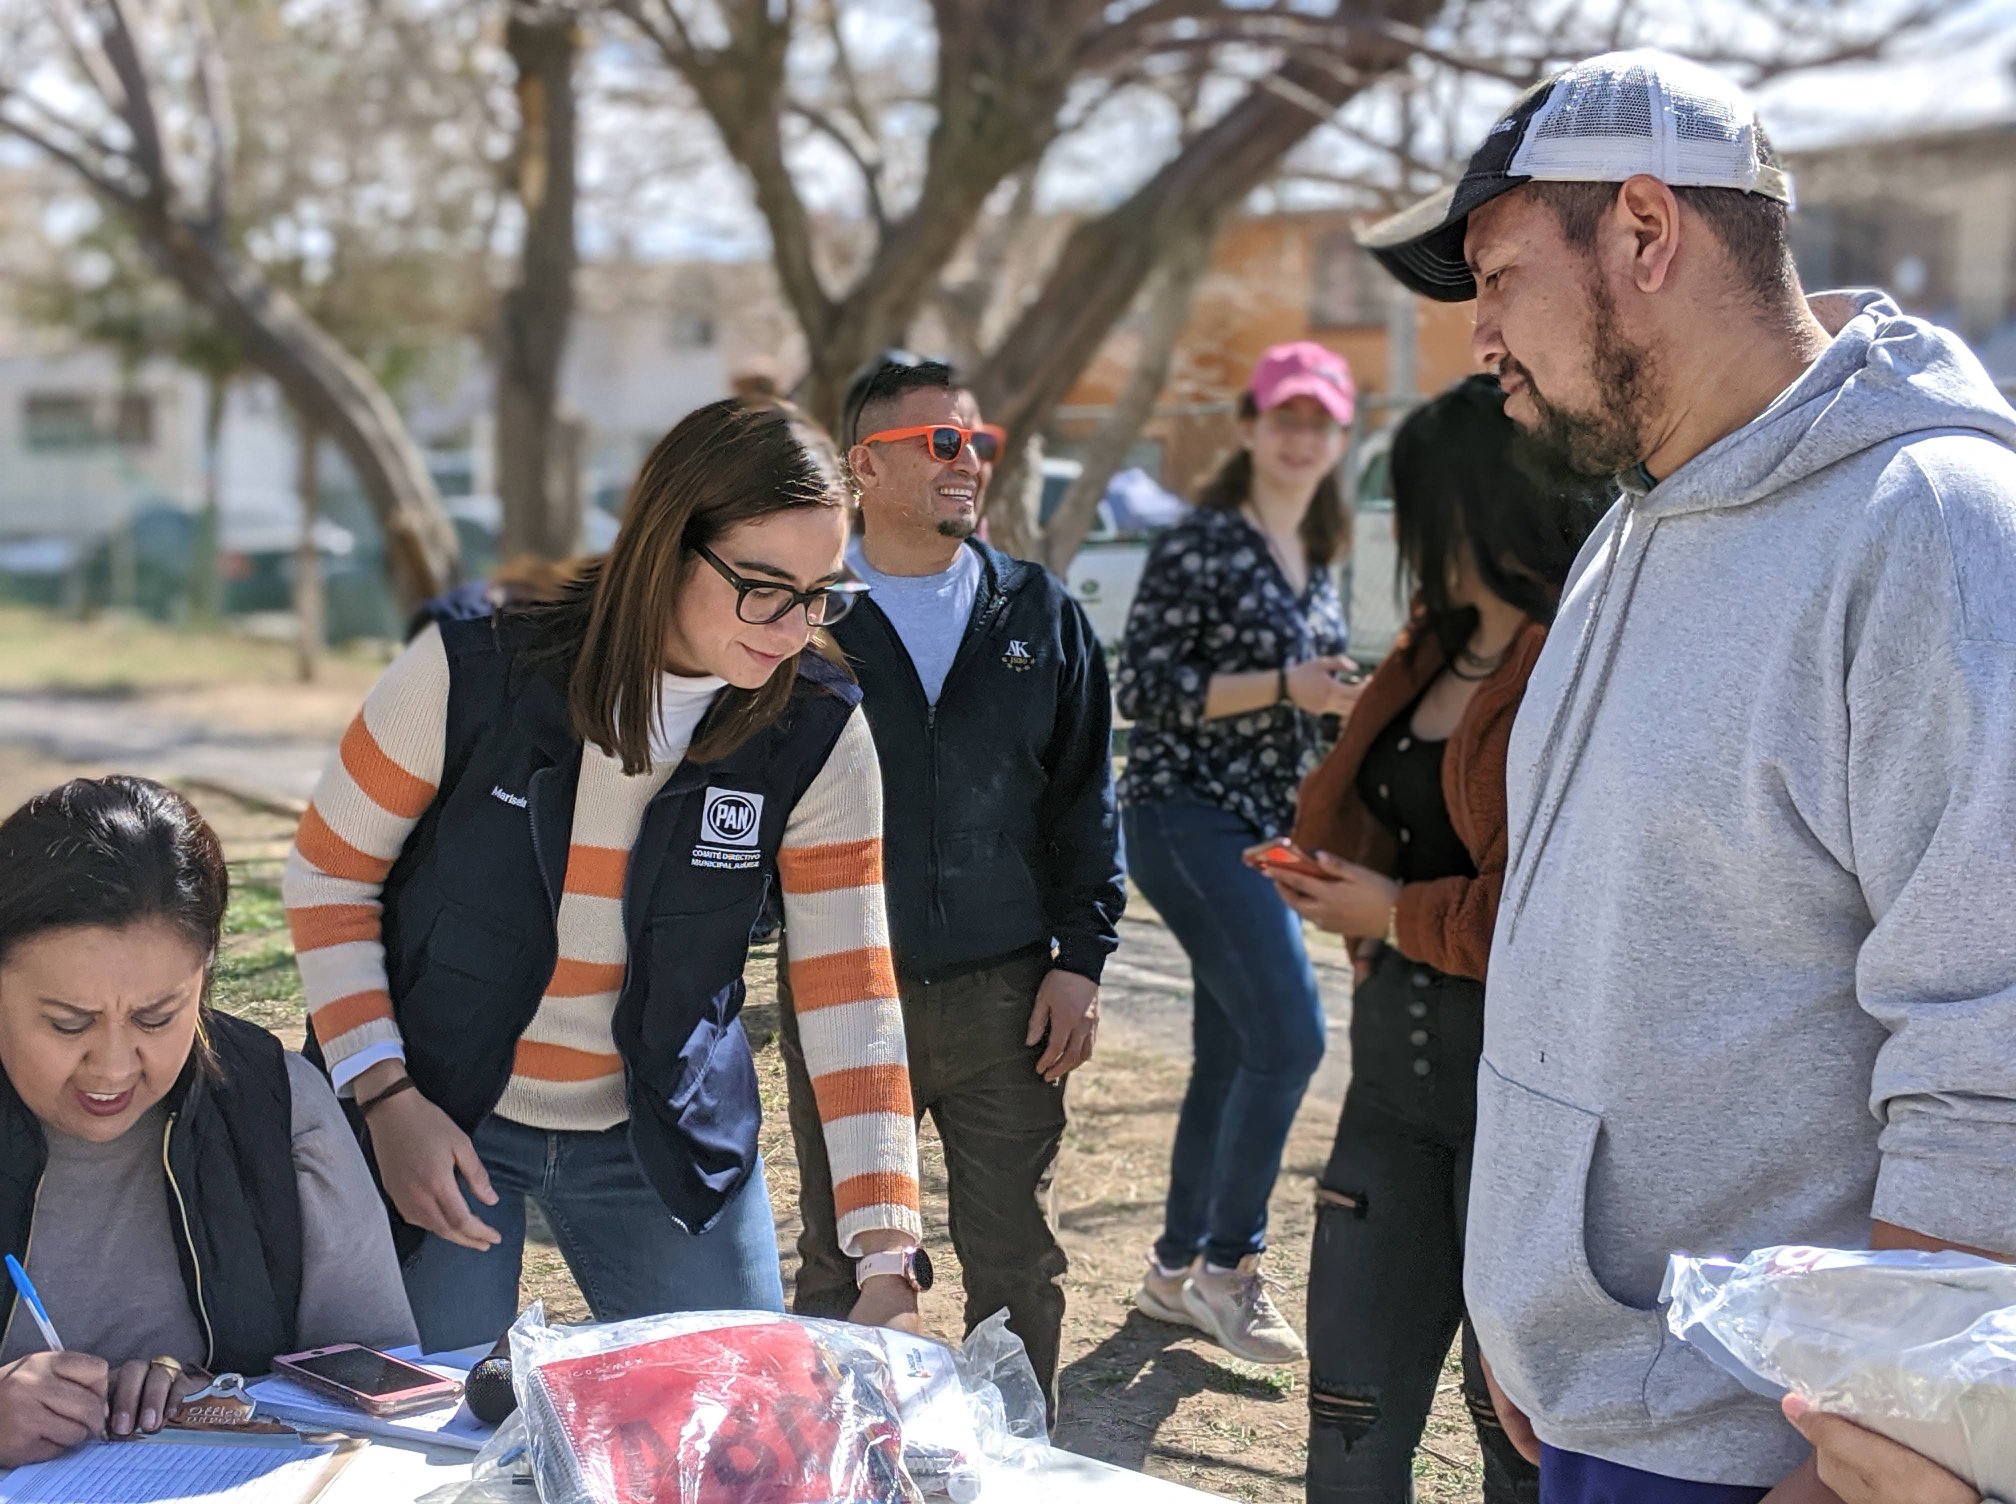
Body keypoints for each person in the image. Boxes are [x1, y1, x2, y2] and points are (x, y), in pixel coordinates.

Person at [1359, 47, 2016, 1503]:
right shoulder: (1633, 523)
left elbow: (1994, 1046)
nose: (1482, 336)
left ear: (1646, 232)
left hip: (1774, 1450)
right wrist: (1538, 1313)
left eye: (1499, 274)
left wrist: (1881, 1451)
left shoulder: (1933, 528)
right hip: (1604, 1392)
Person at [282, 398, 926, 1353]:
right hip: (443, 1111)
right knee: (429, 1440)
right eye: (763, 586)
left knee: (724, 1428)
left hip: (660, 1136)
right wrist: (383, 1096)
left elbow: (849, 983)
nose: (793, 630)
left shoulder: (821, 729)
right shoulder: (467, 668)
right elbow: (327, 879)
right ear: (667, 544)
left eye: (821, 591)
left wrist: (886, 1254)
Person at [1270, 378, 1605, 1502]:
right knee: (1350, 1424)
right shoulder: (1432, 643)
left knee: (1514, 1433)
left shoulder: (1576, 656)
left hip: (1523, 1104)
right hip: (1391, 1097)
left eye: (1415, 500)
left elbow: (1559, 912)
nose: (1403, 530)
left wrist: (1391, 913)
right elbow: (1355, 801)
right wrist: (1322, 876)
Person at [777, 355, 1124, 1420]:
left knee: (1015, 1266)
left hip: (1006, 997)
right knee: (843, 1259)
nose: (965, 461)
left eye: (976, 441)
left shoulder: (1039, 612)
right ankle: (840, 1475)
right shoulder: (807, 619)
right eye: (938, 443)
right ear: (862, 471)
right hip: (843, 993)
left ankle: (1020, 1467)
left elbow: (1084, 799)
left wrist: (1081, 959)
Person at [0, 776, 414, 1467]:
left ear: (205, 978)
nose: (110, 1068)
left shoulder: (275, 1111)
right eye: (66, 1023)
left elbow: (376, 1382)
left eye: (157, 1018)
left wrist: (224, 1400)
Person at [1117, 339, 1361, 1365]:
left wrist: (1341, 704)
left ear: (1341, 437)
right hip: (1184, 813)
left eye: (1322, 422)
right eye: (1287, 418)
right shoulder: (1205, 541)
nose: (1303, 437)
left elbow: (1305, 692)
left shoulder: (1317, 549)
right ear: (1252, 428)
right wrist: (1285, 688)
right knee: (1294, 1036)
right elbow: (1143, 690)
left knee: (1232, 1049)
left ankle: (1175, 1273)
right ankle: (1230, 1269)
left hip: (1260, 828)